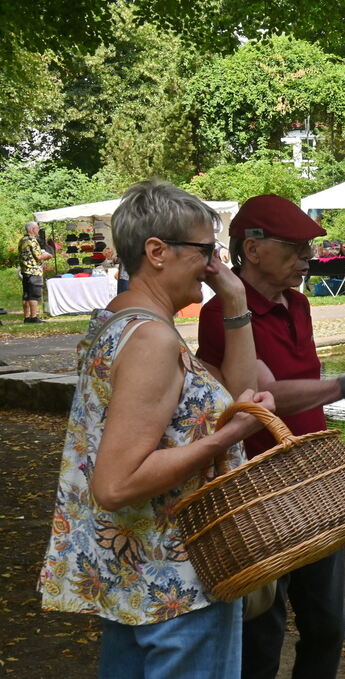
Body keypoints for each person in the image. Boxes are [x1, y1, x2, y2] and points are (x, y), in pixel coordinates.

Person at [41, 179, 272, 678]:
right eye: (207, 252)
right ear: (157, 251)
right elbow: (117, 483)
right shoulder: (151, 341)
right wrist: (224, 439)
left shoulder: (119, 323)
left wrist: (234, 301)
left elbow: (237, 394)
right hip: (179, 584)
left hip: (134, 582)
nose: (216, 266)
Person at [197, 194, 345, 679]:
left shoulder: (300, 304)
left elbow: (300, 381)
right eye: (296, 249)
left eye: (309, 249)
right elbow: (261, 392)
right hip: (257, 490)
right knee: (263, 630)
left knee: (328, 625)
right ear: (254, 247)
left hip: (312, 482)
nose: (307, 260)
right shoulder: (222, 312)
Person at [18, 221, 51, 323]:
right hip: (34, 271)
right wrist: (48, 255)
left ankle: (27, 317)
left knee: (26, 295)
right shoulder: (32, 240)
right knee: (34, 295)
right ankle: (34, 317)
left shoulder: (22, 240)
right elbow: (38, 256)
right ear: (32, 229)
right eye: (37, 228)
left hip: (25, 270)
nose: (38, 230)